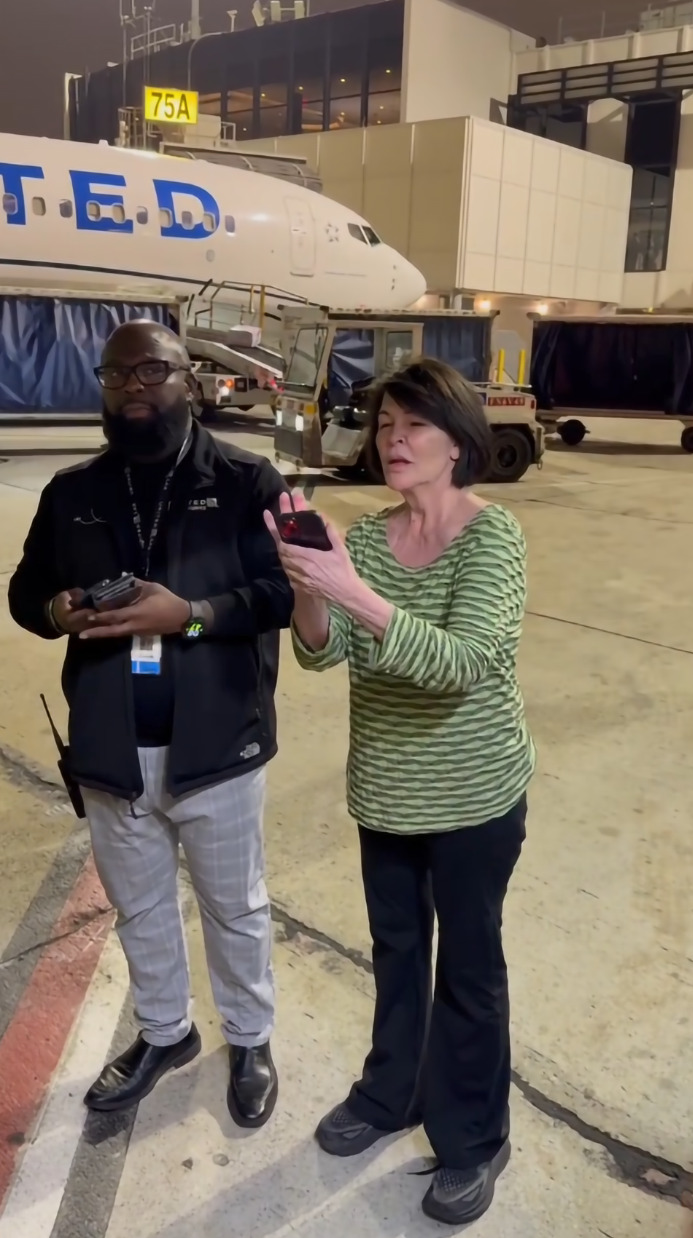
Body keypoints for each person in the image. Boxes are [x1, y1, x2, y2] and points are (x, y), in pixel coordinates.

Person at [264, 358, 535, 1226]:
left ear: (457, 443)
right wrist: (311, 588)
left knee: (468, 969)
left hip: (474, 801)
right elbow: (320, 650)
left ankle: (474, 1138)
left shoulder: (495, 539)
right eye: (385, 426)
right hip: (385, 796)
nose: (393, 440)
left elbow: (463, 663)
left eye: (412, 426)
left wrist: (353, 592)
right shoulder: (371, 539)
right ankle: (391, 1097)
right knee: (396, 956)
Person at [9, 320, 293, 1128]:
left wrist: (191, 617)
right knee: (139, 905)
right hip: (111, 746)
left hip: (219, 745)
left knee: (234, 905)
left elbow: (280, 596)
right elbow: (26, 592)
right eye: (117, 376)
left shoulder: (248, 481)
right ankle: (166, 1033)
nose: (134, 388)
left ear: (189, 380)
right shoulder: (73, 493)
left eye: (152, 372)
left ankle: (251, 1038)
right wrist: (56, 611)